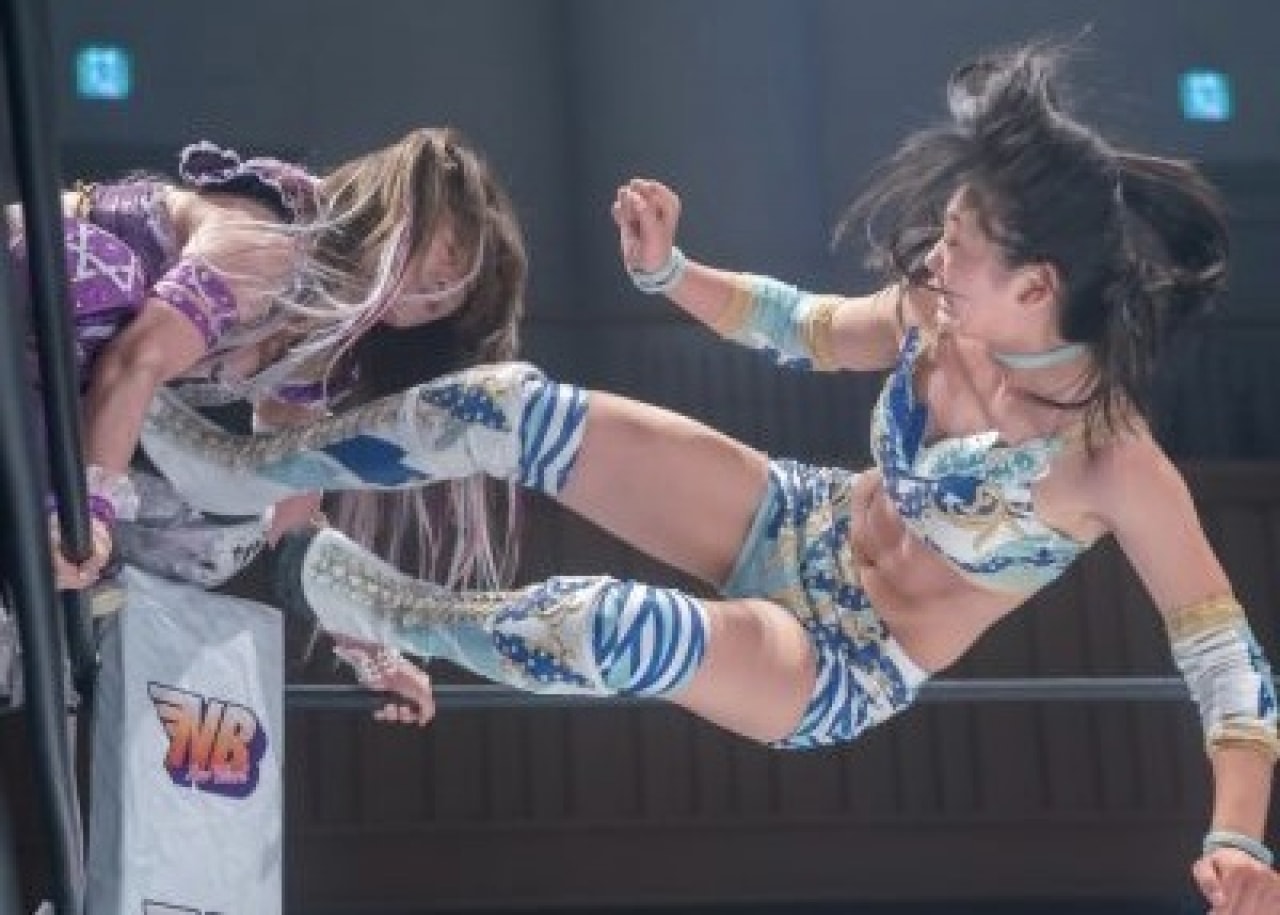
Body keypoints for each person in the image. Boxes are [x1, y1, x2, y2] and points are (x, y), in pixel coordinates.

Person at [136, 44, 1279, 909]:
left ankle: (365, 599)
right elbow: (804, 325)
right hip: (793, 516)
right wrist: (669, 272)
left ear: (1035, 288)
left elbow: (1226, 668)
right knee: (511, 406)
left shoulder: (1110, 461)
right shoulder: (937, 314)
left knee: (615, 628)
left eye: (959, 246)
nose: (931, 256)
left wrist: (1236, 838)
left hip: (841, 661)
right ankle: (239, 467)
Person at [5, 126, 527, 599]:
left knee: (214, 534)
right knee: (107, 294)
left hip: (60, 384)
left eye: (438, 304)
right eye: (448, 257)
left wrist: (360, 627)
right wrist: (88, 512)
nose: (433, 289)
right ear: (406, 208)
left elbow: (292, 495)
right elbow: (135, 360)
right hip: (31, 291)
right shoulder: (267, 247)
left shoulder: (321, 352)